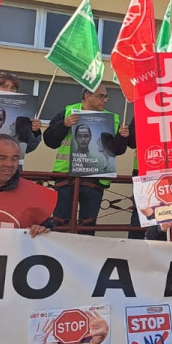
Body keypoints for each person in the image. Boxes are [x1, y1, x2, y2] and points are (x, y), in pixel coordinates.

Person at [43, 85, 130, 233]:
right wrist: (64, 125)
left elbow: (118, 150)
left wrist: (122, 137)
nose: (105, 100)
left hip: (95, 179)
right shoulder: (68, 112)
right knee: (61, 224)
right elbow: (49, 141)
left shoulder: (112, 118)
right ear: (87, 96)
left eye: (106, 96)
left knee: (87, 227)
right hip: (66, 176)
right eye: (101, 96)